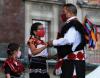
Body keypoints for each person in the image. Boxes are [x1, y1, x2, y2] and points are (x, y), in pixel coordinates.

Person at [48, 3, 86, 78]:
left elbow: (69, 40)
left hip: (72, 62)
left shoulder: (73, 24)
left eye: (64, 11)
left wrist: (53, 42)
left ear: (70, 13)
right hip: (73, 61)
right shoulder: (76, 23)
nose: (62, 13)